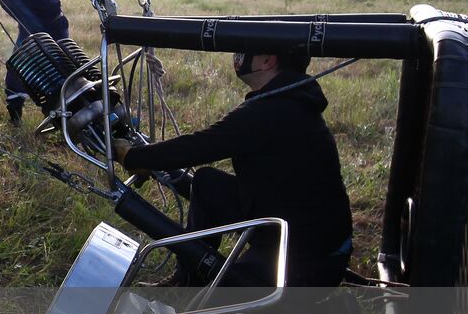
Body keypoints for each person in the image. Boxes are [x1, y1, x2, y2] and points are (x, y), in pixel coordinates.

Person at [113, 50, 353, 287]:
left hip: (308, 255)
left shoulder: (271, 111)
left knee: (226, 296)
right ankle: (187, 280)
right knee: (207, 184)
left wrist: (133, 156)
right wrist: (148, 159)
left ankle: (201, 284)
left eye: (248, 48)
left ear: (268, 59)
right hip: (287, 219)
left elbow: (200, 145)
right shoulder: (288, 100)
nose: (240, 55)